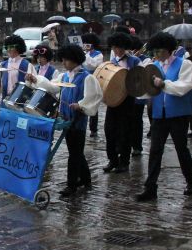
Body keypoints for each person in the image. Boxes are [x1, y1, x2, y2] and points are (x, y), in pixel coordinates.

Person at [27, 44, 102, 196]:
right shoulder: (64, 76)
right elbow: (51, 87)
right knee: (76, 152)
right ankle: (86, 180)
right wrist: (35, 79)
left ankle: (71, 185)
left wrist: (80, 105)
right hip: (66, 119)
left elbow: (93, 97)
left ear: (75, 60)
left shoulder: (87, 77)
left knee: (74, 154)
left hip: (78, 120)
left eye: (66, 60)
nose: (64, 63)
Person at [136, 32, 192, 202]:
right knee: (155, 150)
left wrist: (164, 84)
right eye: (154, 51)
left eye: (160, 51)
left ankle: (191, 180)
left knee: (181, 149)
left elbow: (185, 86)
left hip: (178, 114)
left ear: (169, 50)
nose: (156, 55)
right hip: (159, 114)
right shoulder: (153, 66)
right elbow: (147, 90)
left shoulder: (184, 64)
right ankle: (150, 187)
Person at [102, 32, 140, 174]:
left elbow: (138, 80)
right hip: (113, 100)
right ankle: (112, 159)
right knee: (109, 130)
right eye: (114, 48)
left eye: (119, 48)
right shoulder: (112, 61)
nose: (116, 51)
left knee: (125, 131)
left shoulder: (134, 61)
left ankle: (124, 161)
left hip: (128, 100)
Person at [0, 35, 35, 103]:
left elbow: (34, 85)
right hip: (5, 101)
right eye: (7, 47)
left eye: (11, 47)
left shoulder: (27, 65)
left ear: (18, 48)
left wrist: (30, 79)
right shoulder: (3, 64)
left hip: (20, 102)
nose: (8, 49)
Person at [82, 33, 103, 137]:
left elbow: (92, 65)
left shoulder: (99, 54)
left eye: (88, 43)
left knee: (93, 104)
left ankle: (93, 129)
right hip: (82, 80)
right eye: (85, 42)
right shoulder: (82, 53)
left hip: (93, 81)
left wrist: (86, 54)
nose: (86, 45)